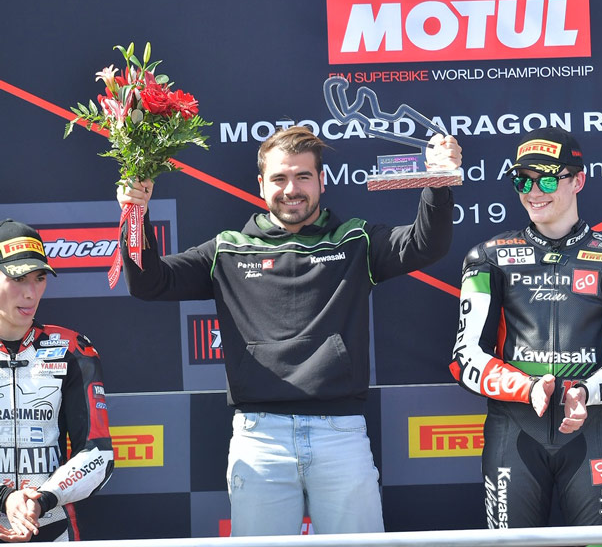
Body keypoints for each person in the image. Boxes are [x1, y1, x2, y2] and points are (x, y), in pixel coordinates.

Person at [117, 125, 461, 536]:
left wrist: (439, 182)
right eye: (279, 178)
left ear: (322, 181)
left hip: (340, 433)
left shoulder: (356, 240)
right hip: (259, 438)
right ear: (261, 184)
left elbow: (426, 244)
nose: (291, 189)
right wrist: (135, 213)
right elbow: (148, 282)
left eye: (303, 176)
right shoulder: (228, 249)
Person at [450, 127, 602, 536]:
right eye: (522, 180)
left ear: (578, 180)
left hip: (593, 425)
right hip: (514, 428)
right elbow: (466, 356)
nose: (533, 191)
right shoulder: (487, 258)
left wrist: (585, 392)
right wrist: (527, 388)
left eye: (547, 179)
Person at [0, 219, 114, 542]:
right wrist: (4, 498)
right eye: (18, 278)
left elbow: (98, 455)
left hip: (50, 528)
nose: (30, 293)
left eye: (39, 278)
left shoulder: (72, 350)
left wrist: (42, 499)